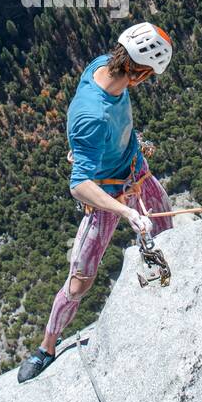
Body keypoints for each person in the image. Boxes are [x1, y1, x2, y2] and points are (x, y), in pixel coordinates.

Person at [17, 22, 175, 382]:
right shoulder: (92, 116)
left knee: (167, 236)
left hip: (134, 169)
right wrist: (123, 210)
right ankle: (47, 347)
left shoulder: (103, 64)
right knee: (80, 280)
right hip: (106, 193)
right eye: (149, 76)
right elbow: (79, 185)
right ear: (139, 73)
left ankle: (168, 294)